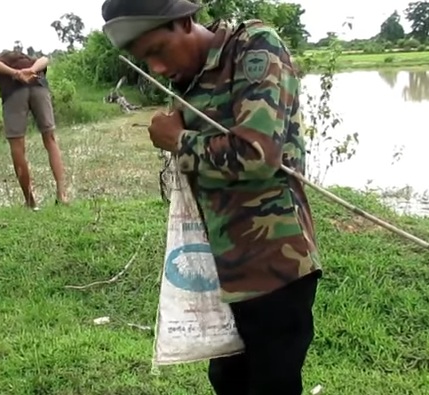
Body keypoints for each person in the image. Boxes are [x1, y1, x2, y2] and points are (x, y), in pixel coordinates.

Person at [101, 0, 322, 394]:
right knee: (228, 382)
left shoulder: (253, 49)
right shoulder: (187, 78)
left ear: (185, 21)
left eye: (157, 51)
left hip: (274, 265)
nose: (158, 68)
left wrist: (178, 140)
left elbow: (258, 155)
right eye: (144, 59)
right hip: (220, 267)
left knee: (272, 385)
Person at [0, 50, 68, 210]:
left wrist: (17, 74)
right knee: (50, 140)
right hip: (39, 87)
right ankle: (62, 195)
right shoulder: (22, 57)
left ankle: (30, 201)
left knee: (17, 147)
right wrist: (32, 70)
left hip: (14, 93)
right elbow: (45, 59)